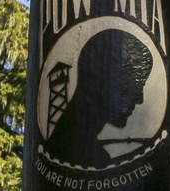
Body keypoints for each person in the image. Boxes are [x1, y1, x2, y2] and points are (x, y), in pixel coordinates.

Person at [44, 28, 153, 168]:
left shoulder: (68, 144)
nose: (140, 99)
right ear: (101, 80)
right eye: (135, 85)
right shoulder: (79, 154)